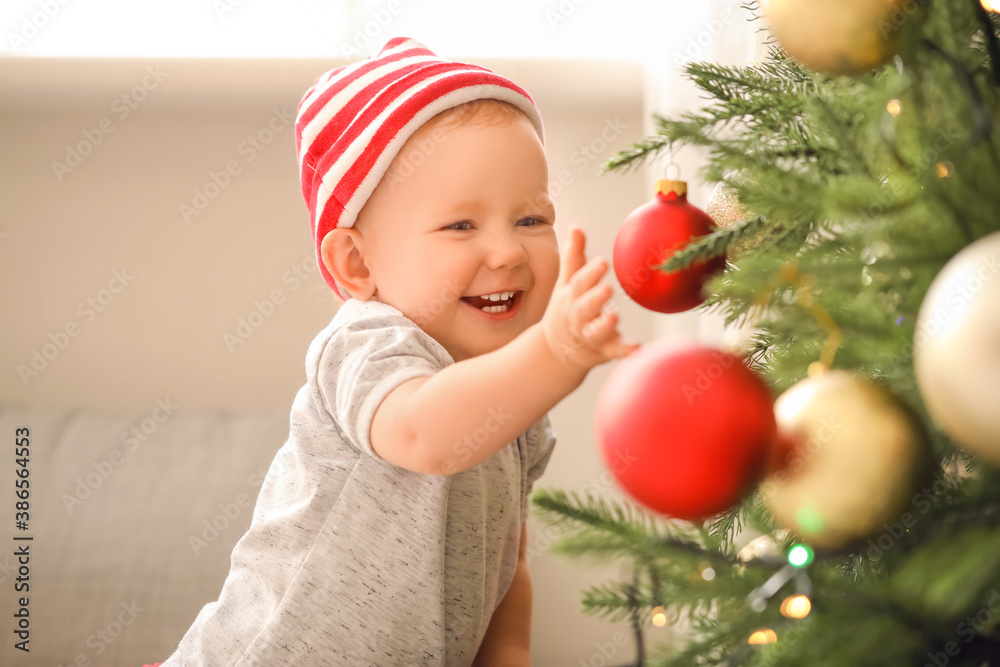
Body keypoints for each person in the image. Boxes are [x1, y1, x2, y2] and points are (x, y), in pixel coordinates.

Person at [154, 36, 637, 667]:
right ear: (356, 263)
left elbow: (506, 559)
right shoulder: (364, 342)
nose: (510, 253)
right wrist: (557, 351)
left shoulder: (515, 400)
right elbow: (425, 435)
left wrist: (511, 652)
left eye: (531, 219)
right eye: (461, 225)